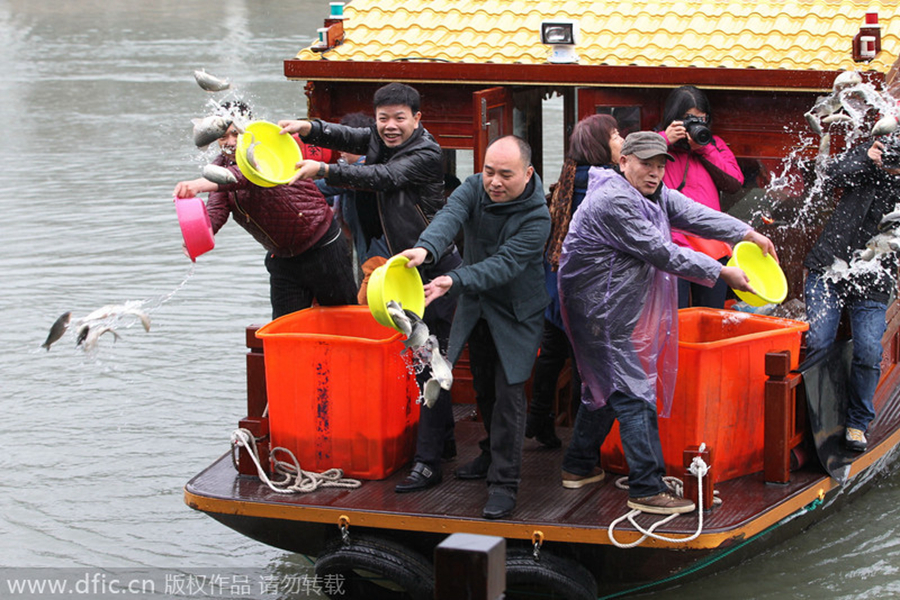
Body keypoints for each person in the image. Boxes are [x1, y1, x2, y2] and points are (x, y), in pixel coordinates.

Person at [558, 131, 775, 514]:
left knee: (605, 389)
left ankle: (578, 465)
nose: (654, 172)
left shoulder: (651, 193)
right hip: (598, 313)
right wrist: (723, 273)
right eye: (646, 164)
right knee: (634, 392)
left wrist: (746, 233)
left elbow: (691, 213)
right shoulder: (614, 200)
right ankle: (646, 487)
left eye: (660, 166)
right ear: (623, 161)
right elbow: (662, 252)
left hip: (613, 309)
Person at [278, 83, 461, 491]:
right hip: (404, 272)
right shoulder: (380, 138)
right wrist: (306, 128)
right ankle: (444, 442)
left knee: (431, 364)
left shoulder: (426, 153)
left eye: (400, 118)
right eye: (383, 119)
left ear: (418, 119)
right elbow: (348, 136)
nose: (390, 126)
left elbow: (383, 177)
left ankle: (429, 463)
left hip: (434, 272)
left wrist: (323, 170)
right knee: (426, 362)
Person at [399, 136, 551, 520]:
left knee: (509, 393)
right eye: (488, 171)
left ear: (528, 173)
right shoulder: (472, 188)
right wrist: (426, 250)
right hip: (476, 301)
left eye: (505, 174)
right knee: (482, 385)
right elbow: (449, 218)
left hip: (517, 311)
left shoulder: (538, 217)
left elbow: (504, 265)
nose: (494, 182)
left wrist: (453, 280)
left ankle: (504, 483)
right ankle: (488, 453)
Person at [173, 101, 357, 319]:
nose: (231, 142)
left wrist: (200, 184)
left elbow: (245, 176)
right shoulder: (219, 168)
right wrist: (196, 238)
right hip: (283, 258)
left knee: (344, 319)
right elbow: (217, 210)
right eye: (223, 137)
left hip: (322, 245)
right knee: (285, 329)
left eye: (236, 134)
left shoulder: (263, 149)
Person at [525, 114, 623, 449]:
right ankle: (587, 446)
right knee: (587, 368)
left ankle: (538, 420)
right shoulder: (609, 185)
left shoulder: (568, 179)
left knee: (551, 354)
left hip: (553, 282)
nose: (621, 140)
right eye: (615, 135)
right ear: (599, 146)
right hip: (586, 292)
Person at [803, 138, 900, 452]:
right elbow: (829, 175)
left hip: (874, 278)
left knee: (869, 349)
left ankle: (858, 423)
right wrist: (869, 160)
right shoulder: (872, 149)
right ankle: (816, 419)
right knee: (818, 342)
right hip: (829, 267)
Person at [658, 85, 744, 309]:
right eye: (690, 120)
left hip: (710, 247)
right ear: (674, 119)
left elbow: (735, 182)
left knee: (711, 315)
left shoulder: (714, 145)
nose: (696, 126)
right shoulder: (656, 145)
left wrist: (703, 149)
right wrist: (664, 140)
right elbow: (630, 167)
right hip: (672, 246)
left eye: (701, 120)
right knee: (673, 316)